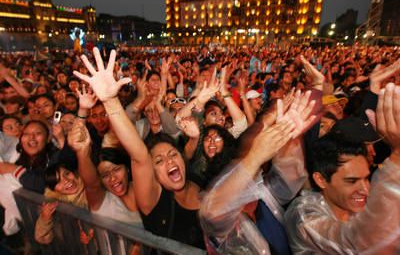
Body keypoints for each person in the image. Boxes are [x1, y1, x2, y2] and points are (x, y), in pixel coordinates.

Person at [73, 47, 205, 249]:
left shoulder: (198, 183)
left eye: (172, 154)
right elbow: (139, 156)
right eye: (158, 161)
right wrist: (110, 101)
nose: (169, 161)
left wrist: (194, 139)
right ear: (151, 172)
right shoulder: (152, 199)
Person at [284, 82, 400, 254]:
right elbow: (361, 242)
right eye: (351, 181)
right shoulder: (304, 215)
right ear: (321, 179)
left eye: (366, 179)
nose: (365, 190)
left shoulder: (351, 205)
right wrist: (397, 157)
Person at [200, 90, 317, 254]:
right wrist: (254, 158)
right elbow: (212, 212)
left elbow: (291, 175)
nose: (250, 176)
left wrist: (289, 136)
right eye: (242, 170)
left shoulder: (264, 194)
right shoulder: (221, 221)